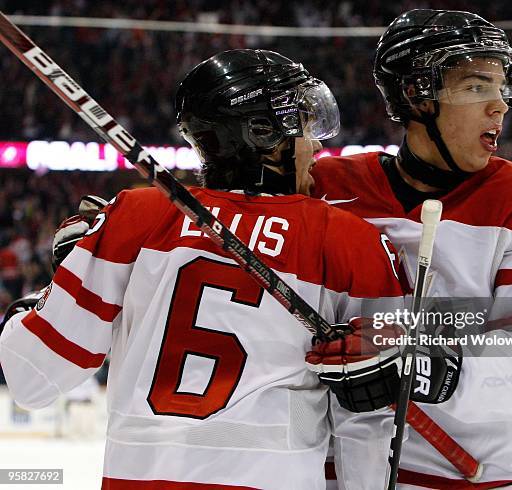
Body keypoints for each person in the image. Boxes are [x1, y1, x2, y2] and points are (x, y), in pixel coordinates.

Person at [0, 49, 406, 490]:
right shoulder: (353, 241)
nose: (317, 145)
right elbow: (367, 420)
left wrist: (49, 290)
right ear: (263, 133)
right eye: (306, 127)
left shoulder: (135, 216)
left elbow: (31, 379)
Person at [308, 10, 512, 489]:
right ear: (417, 94)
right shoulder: (328, 188)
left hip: (488, 475)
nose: (499, 105)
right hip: (346, 470)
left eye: (501, 87)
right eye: (477, 87)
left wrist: (421, 367)